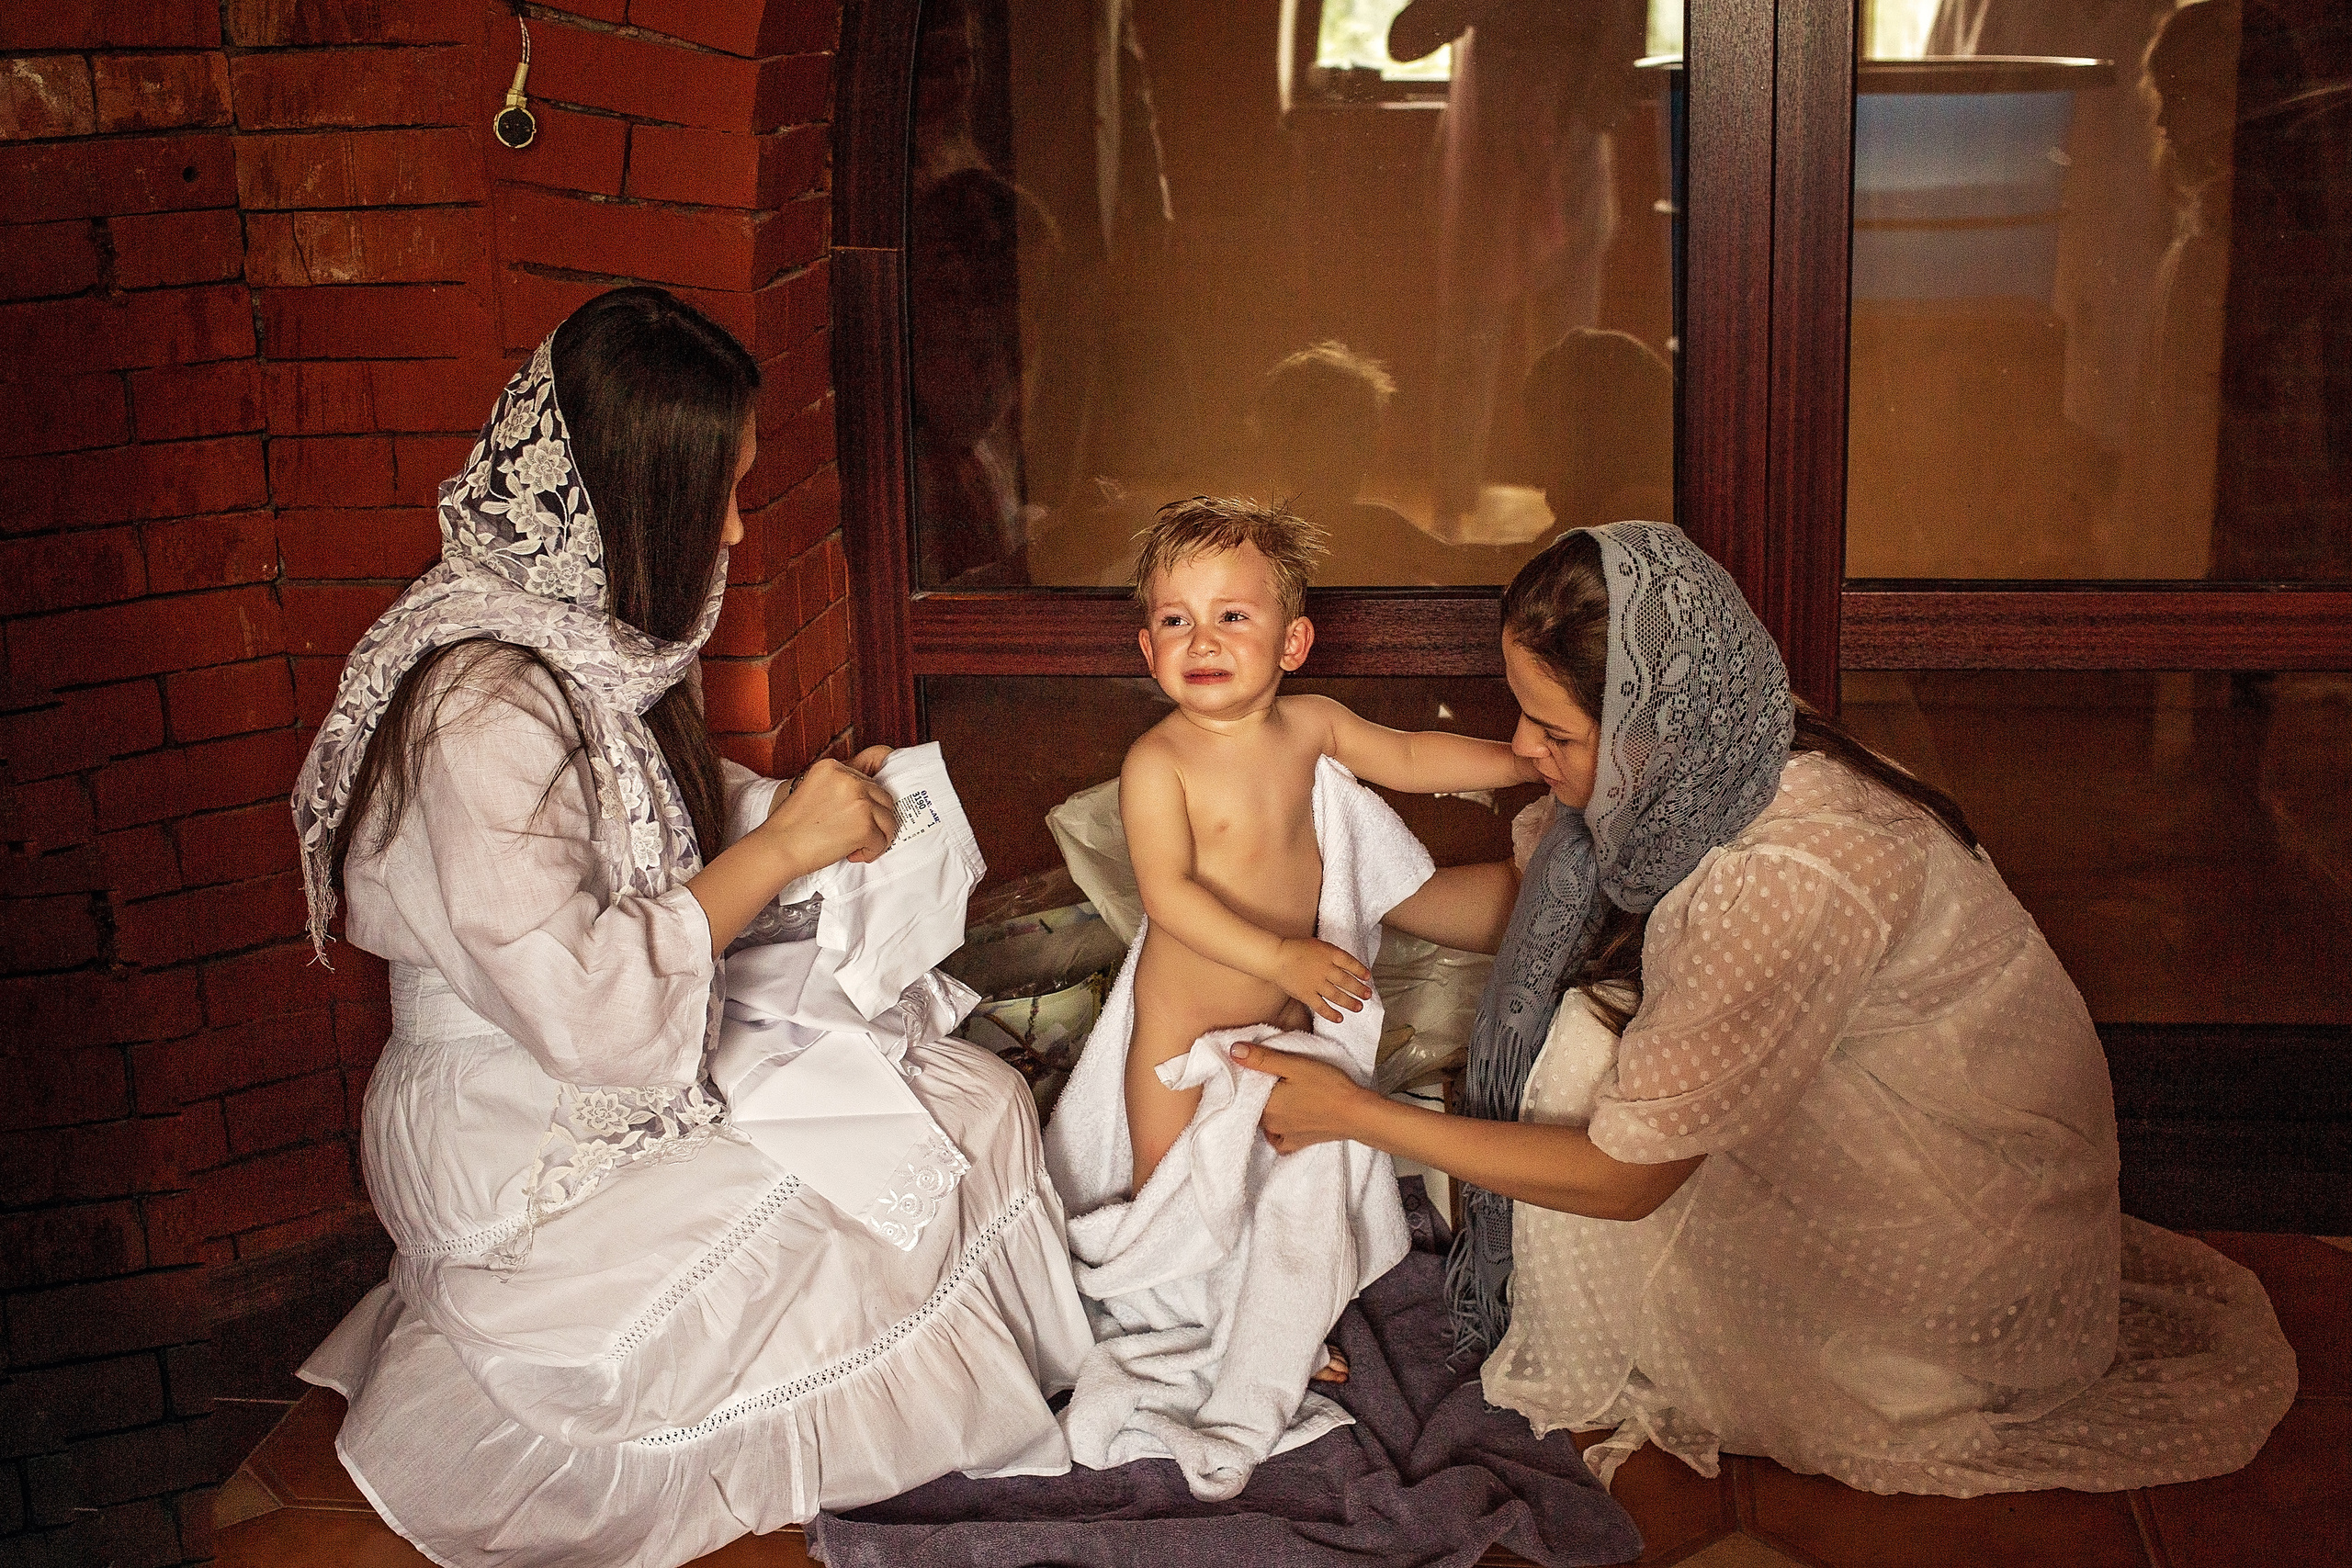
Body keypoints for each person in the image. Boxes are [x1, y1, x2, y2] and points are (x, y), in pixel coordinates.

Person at [1232, 521, 2298, 1496]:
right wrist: (1336, 888)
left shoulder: (1789, 868)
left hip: (1944, 1248)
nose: (1519, 748)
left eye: (1551, 727)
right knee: (1579, 1009)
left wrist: (1359, 1114)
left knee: (1583, 1053)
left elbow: (1628, 1175)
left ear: (1652, 727)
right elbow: (1527, 908)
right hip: (1878, 1136)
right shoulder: (1718, 754)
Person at [287, 288, 1094, 1568]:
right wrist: (783, 849)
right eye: (716, 491)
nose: (730, 524)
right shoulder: (477, 710)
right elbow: (590, 1006)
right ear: (629, 495)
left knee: (978, 1094)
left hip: (633, 1047)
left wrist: (833, 813)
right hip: (525, 1122)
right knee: (883, 1171)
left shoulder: (586, 644)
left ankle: (1004, 1389)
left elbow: (667, 815)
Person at [1111, 497, 1535, 1191]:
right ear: (1148, 648)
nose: (1203, 640)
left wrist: (1520, 760)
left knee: (1280, 1187)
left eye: (1232, 616)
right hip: (1180, 1035)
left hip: (1286, 1006)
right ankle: (1155, 1287)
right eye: (1174, 620)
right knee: (1164, 1192)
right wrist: (1280, 956)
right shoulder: (1159, 762)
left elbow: (1410, 758)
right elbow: (1168, 894)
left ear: (1293, 644)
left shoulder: (1311, 724)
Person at [1253, 342, 1455, 585]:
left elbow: (1458, 564)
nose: (1373, 450)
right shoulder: (1378, 530)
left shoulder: (1256, 537)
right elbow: (1459, 565)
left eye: (1368, 432)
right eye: (1355, 436)